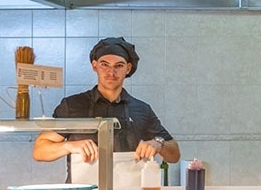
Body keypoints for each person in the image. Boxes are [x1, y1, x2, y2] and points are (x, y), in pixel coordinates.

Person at [32, 37, 181, 171]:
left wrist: (158, 143)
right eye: (105, 64)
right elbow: (39, 151)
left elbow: (174, 155)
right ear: (94, 66)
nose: (111, 72)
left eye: (119, 65)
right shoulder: (72, 105)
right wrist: (69, 146)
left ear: (128, 68)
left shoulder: (141, 109)